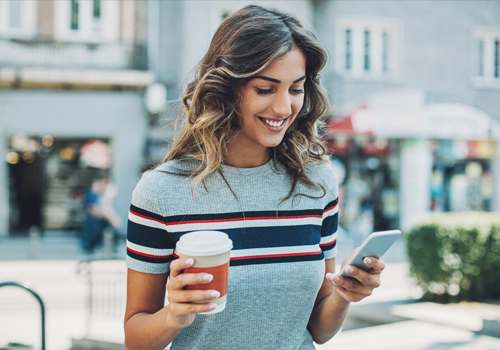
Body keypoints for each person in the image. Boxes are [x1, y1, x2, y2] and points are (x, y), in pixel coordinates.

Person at [124, 5, 385, 350]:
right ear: (227, 88)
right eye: (265, 89)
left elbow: (318, 329)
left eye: (296, 88)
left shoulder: (317, 182)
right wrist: (175, 315)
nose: (283, 108)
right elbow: (135, 338)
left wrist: (344, 295)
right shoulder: (161, 191)